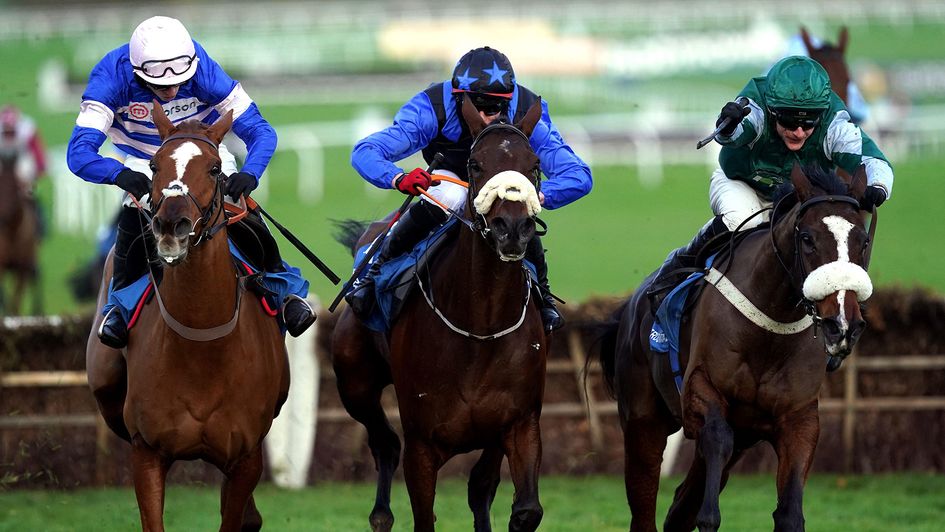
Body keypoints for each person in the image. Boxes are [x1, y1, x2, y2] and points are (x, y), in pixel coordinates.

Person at [66, 15, 316, 348]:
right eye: (160, 86)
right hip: (146, 158)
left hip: (203, 153)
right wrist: (120, 174)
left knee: (242, 211)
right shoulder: (110, 77)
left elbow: (261, 132)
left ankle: (283, 289)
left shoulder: (205, 72)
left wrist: (250, 172)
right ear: (137, 71)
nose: (171, 90)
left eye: (179, 82)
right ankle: (119, 308)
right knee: (132, 215)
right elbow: (78, 153)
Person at [346, 46, 592, 332]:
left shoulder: (526, 111)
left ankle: (544, 296)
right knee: (450, 196)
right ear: (459, 97)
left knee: (518, 208)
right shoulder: (431, 108)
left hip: (504, 185)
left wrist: (537, 194)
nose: (492, 116)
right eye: (482, 106)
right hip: (451, 178)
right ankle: (375, 271)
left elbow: (578, 174)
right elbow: (366, 151)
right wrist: (398, 177)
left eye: (498, 107)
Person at [648, 55, 893, 304]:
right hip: (741, 184)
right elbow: (737, 131)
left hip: (796, 197)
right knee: (738, 219)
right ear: (772, 110)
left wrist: (878, 186)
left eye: (808, 123)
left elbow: (874, 160)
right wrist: (730, 125)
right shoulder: (755, 107)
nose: (799, 132)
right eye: (789, 121)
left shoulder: (834, 124)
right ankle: (681, 264)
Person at [0, 104, 48, 234]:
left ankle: (39, 227)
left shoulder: (27, 130)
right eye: (6, 132)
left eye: (12, 131)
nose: (9, 135)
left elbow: (39, 158)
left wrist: (35, 173)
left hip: (22, 162)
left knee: (29, 193)